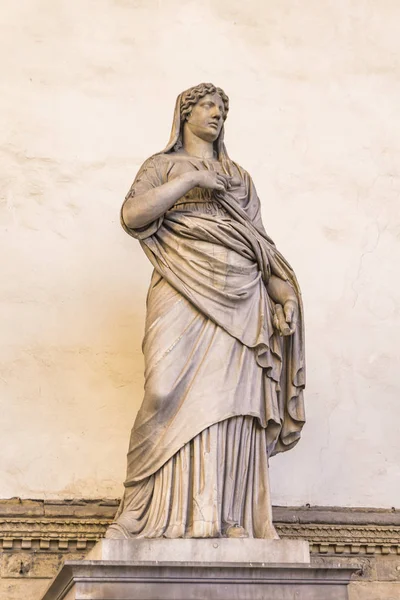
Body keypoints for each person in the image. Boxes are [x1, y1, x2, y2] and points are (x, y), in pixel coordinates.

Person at [106, 83, 305, 540]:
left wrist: (284, 296)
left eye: (223, 108)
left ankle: (226, 516)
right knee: (162, 392)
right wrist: (191, 180)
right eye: (209, 105)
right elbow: (133, 216)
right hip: (179, 284)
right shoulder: (161, 166)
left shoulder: (239, 177)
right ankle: (143, 512)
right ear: (185, 112)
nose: (218, 113)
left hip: (242, 295)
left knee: (231, 404)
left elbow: (262, 249)